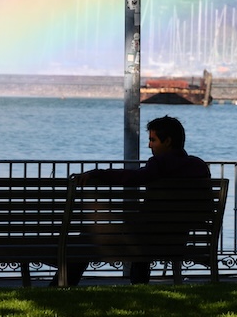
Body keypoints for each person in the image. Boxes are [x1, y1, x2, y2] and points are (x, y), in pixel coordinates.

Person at [55, 115, 210, 286]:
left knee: (87, 238)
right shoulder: (199, 166)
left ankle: (60, 286)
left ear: (167, 141)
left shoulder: (159, 164)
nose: (149, 145)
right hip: (179, 239)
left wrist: (98, 173)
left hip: (148, 239)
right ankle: (139, 285)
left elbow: (133, 177)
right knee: (143, 231)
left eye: (153, 140)